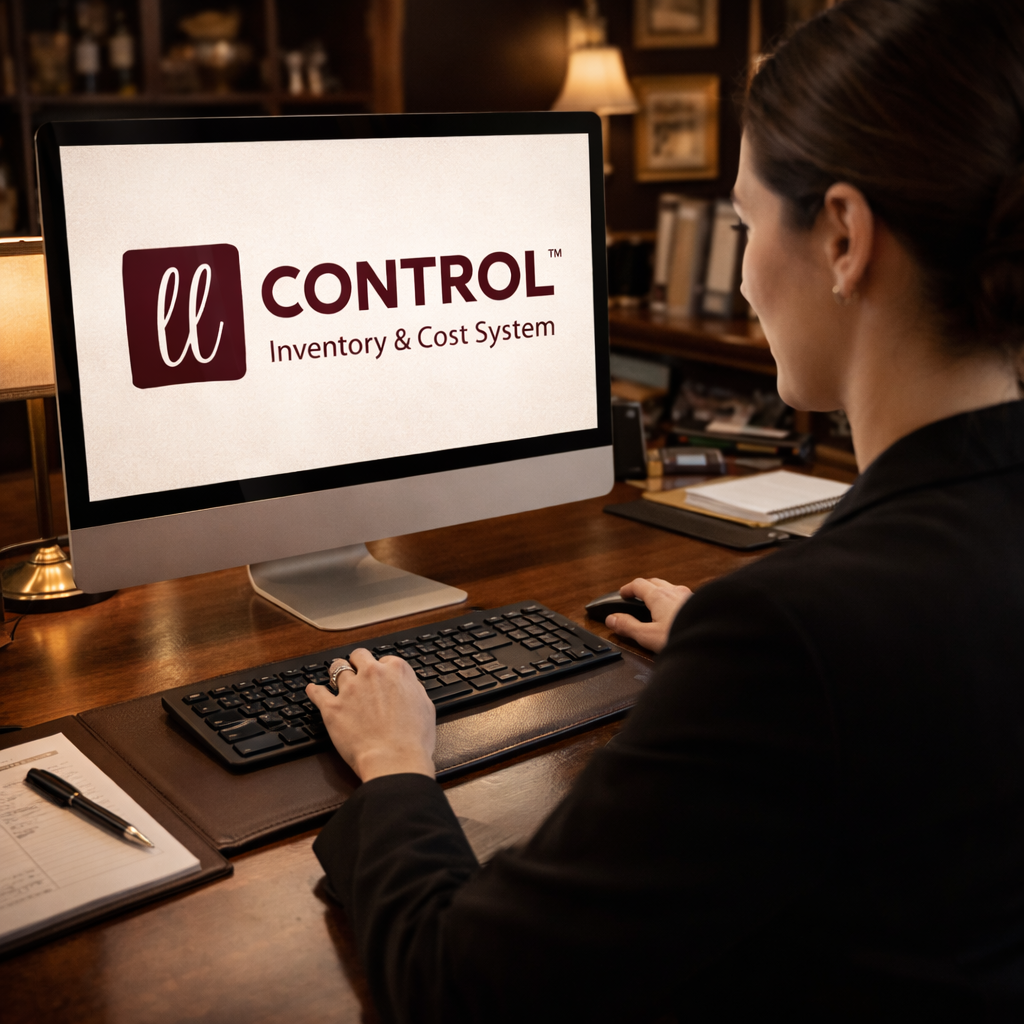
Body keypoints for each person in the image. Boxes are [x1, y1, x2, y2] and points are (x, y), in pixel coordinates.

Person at [307, 1, 1024, 1019]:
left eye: (742, 223)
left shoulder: (790, 638)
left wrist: (390, 767)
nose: (738, 278)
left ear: (842, 236)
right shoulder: (829, 629)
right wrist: (744, 684)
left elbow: (456, 983)